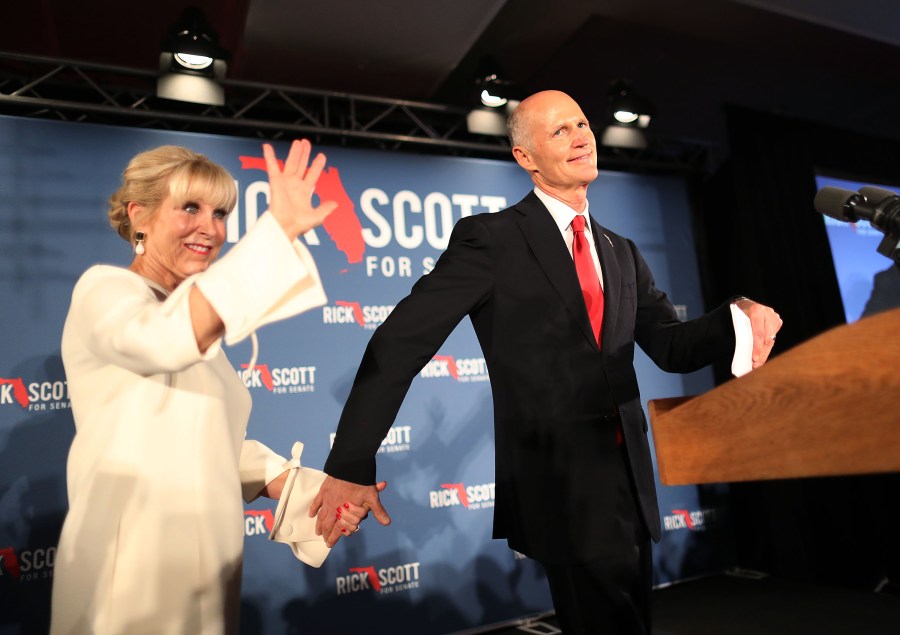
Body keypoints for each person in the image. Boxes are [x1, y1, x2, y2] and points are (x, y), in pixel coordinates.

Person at [310, 90, 782, 634]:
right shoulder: (492, 240)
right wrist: (350, 464)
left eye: (582, 124)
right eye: (560, 131)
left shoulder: (621, 250)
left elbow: (672, 346)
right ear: (525, 157)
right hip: (561, 490)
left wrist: (735, 317)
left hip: (631, 487)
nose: (581, 136)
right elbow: (398, 344)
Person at [50, 140, 378, 635]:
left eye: (221, 212)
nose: (211, 227)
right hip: (132, 568)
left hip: (207, 564)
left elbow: (206, 440)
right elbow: (162, 340)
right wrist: (279, 232)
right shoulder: (106, 291)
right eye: (190, 208)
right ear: (139, 216)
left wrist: (313, 491)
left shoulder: (192, 322)